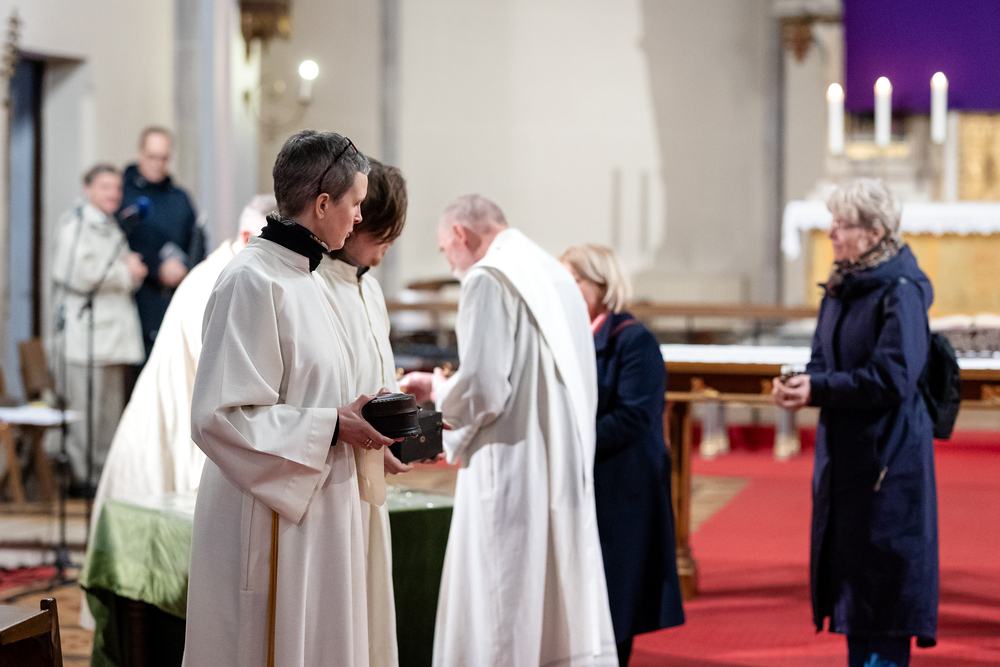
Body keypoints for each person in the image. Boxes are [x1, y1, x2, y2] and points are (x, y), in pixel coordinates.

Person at [182, 131, 396, 667]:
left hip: (323, 506)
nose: (358, 217)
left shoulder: (311, 279)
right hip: (271, 518)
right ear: (322, 204)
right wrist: (333, 426)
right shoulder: (252, 280)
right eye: (354, 203)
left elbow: (321, 391)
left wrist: (367, 423)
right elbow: (218, 417)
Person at [401, 195, 617, 666]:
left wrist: (438, 392)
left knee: (504, 594)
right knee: (553, 591)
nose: (449, 261)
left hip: (510, 464)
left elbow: (484, 389)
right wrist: (446, 386)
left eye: (444, 248)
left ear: (461, 235)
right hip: (560, 456)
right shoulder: (553, 273)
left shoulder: (488, 278)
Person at [773, 178, 938, 667]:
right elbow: (822, 361)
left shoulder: (901, 292)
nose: (831, 233)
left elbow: (893, 378)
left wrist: (819, 389)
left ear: (874, 232)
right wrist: (802, 384)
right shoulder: (840, 286)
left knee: (882, 592)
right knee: (853, 588)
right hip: (844, 459)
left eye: (842, 225)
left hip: (888, 461)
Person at [88, 194, 274, 535]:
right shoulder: (218, 280)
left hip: (195, 405)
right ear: (249, 238)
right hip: (180, 409)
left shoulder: (238, 270)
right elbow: (221, 374)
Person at [560, 243, 685, 666]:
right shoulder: (570, 335)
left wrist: (568, 441)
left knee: (617, 596)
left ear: (601, 284)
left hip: (624, 486)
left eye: (572, 280)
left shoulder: (634, 339)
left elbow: (633, 416)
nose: (564, 289)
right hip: (587, 478)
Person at [313, 158, 412, 667]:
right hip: (332, 470)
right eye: (382, 232)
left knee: (371, 602)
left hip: (369, 468)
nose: (387, 245)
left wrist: (397, 428)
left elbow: (379, 372)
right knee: (338, 609)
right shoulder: (314, 283)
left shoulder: (368, 286)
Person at [51, 164, 147, 489]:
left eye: (117, 188)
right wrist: (125, 271)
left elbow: (124, 268)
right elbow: (79, 274)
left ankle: (104, 479)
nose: (113, 194)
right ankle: (83, 481)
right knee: (85, 418)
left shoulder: (111, 225)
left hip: (114, 336)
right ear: (88, 189)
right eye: (105, 187)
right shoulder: (75, 225)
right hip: (87, 337)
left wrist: (130, 270)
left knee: (108, 417)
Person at [120, 127, 204, 359]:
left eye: (164, 158)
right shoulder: (123, 194)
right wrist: (158, 269)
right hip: (137, 300)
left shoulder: (180, 198)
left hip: (176, 298)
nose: (158, 164)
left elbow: (196, 242)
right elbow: (122, 242)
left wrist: (186, 270)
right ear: (140, 153)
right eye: (152, 157)